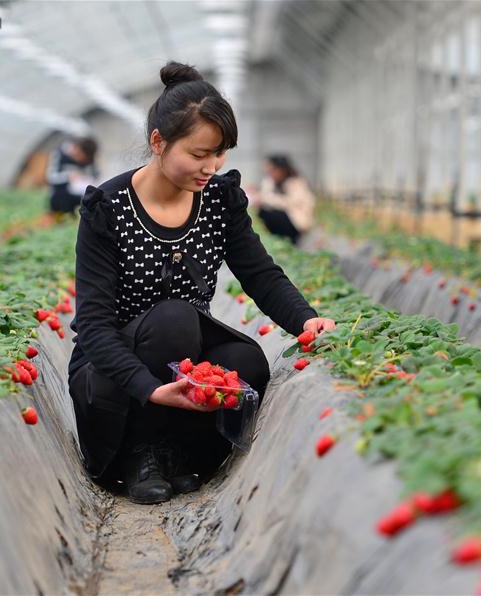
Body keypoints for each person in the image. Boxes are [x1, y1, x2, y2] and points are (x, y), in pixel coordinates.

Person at [67, 61, 336, 505]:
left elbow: (259, 273)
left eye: (220, 153)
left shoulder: (217, 201)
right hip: (114, 376)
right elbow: (94, 326)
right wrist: (149, 387)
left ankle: (179, 453)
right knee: (175, 318)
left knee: (245, 363)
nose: (211, 166)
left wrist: (306, 321)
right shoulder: (108, 209)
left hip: (180, 360)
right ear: (158, 142)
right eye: (198, 154)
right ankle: (141, 453)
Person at [254, 154, 316, 245]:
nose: (269, 172)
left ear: (281, 170)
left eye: (272, 170)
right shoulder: (270, 182)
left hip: (295, 222)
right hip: (283, 220)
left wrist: (267, 199)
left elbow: (292, 202)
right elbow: (264, 196)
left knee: (268, 212)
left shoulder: (296, 182)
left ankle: (288, 242)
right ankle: (278, 242)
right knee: (262, 211)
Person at [46, 137, 99, 215]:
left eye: (85, 159)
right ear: (76, 148)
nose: (81, 160)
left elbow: (95, 176)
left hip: (79, 196)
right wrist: (68, 176)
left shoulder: (89, 159)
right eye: (80, 156)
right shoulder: (59, 154)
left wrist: (85, 178)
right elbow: (50, 177)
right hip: (60, 197)